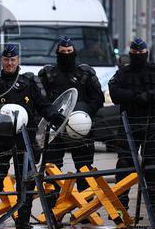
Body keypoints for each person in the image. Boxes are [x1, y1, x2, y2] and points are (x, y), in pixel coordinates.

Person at [0, 43, 64, 229]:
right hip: (1, 140)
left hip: (26, 141)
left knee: (27, 181)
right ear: (1, 61)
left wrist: (57, 117)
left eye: (12, 60)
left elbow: (44, 106)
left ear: (18, 61)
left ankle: (23, 222)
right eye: (6, 60)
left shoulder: (30, 83)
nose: (9, 63)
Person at [108, 38, 155, 221]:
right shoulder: (122, 74)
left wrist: (149, 96)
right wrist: (135, 97)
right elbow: (114, 93)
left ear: (146, 54)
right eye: (134, 54)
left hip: (152, 123)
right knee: (124, 166)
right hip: (128, 123)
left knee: (153, 167)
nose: (137, 57)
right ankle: (121, 207)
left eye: (140, 54)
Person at [37, 37, 104, 192]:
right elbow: (40, 100)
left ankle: (85, 211)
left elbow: (97, 99)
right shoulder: (47, 74)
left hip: (80, 128)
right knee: (52, 169)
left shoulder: (85, 73)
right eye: (63, 52)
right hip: (54, 128)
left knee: (84, 169)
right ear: (57, 53)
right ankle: (52, 210)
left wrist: (84, 112)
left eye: (69, 51)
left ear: (74, 52)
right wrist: (51, 114)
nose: (66, 54)